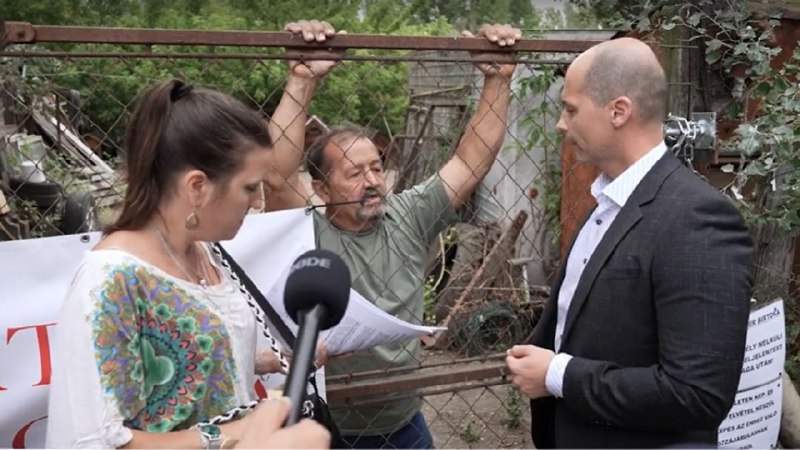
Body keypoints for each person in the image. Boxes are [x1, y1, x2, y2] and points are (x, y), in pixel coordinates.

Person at [266, 20, 520, 449]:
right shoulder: (307, 229)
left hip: (406, 422)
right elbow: (276, 175)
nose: (372, 181)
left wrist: (496, 80)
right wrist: (301, 80)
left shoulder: (408, 213)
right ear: (322, 189)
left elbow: (470, 162)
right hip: (330, 425)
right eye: (354, 173)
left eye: (376, 168)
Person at [505, 37, 754, 448]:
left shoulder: (697, 220)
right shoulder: (608, 204)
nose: (561, 124)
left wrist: (558, 375)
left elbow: (697, 394)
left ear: (618, 111)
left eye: (571, 109)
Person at [45, 77, 318, 448]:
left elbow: (177, 364)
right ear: (197, 187)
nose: (258, 202)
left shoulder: (203, 251)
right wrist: (233, 433)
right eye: (250, 187)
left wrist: (270, 360)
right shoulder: (111, 282)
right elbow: (97, 438)